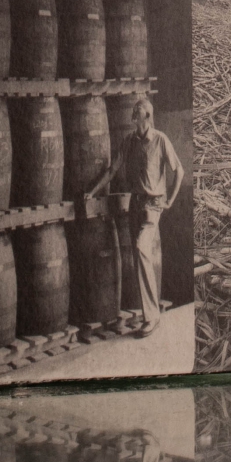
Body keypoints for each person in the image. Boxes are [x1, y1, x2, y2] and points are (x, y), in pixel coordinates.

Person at [89, 95, 184, 337]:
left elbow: (179, 171)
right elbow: (112, 169)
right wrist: (92, 191)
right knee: (139, 255)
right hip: (135, 205)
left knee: (142, 249)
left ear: (147, 117)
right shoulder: (129, 141)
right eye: (133, 112)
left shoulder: (161, 140)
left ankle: (151, 318)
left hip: (153, 206)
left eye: (137, 112)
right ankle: (150, 313)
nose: (133, 116)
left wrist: (170, 201)